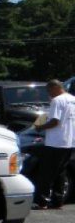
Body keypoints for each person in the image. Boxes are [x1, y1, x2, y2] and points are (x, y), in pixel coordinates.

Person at [32, 79, 75, 209]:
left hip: (55, 142)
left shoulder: (57, 101)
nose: (49, 94)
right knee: (60, 172)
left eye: (49, 90)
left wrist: (40, 127)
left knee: (47, 173)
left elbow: (55, 122)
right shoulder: (73, 99)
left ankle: (42, 202)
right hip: (69, 141)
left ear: (55, 87)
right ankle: (58, 201)